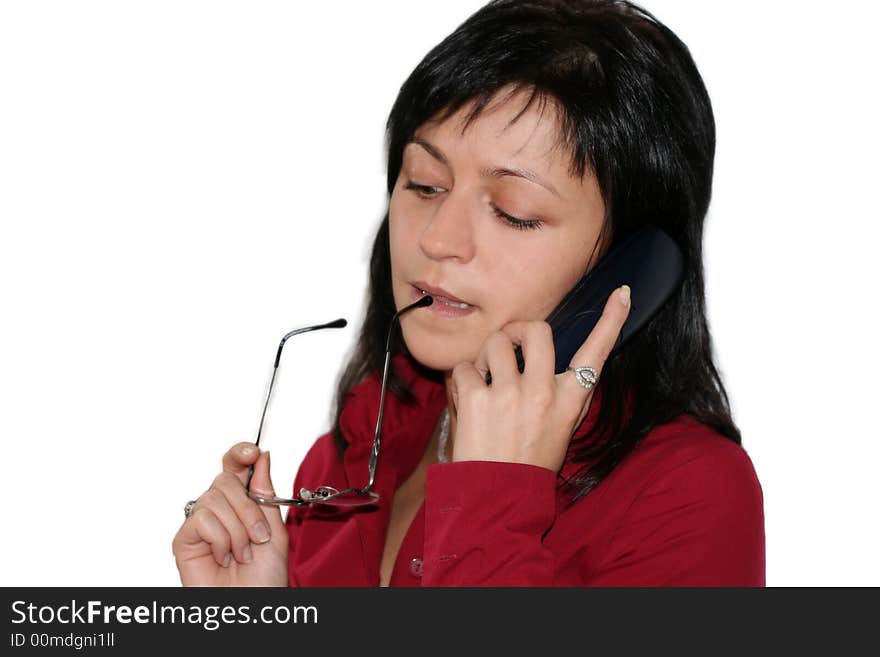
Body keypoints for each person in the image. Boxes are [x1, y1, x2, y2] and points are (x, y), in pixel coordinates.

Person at [172, 0, 765, 587]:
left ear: (633, 262)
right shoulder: (345, 463)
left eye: (514, 213)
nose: (436, 240)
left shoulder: (688, 495)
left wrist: (494, 498)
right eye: (426, 185)